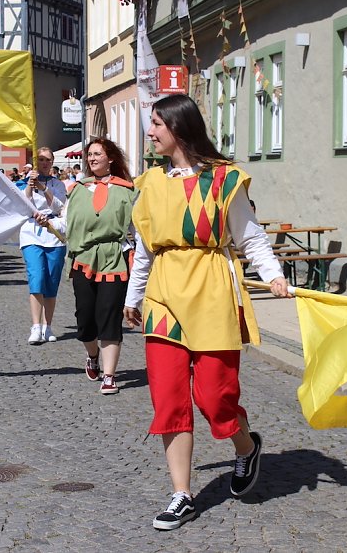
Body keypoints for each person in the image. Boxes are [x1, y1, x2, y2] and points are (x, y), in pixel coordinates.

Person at [123, 94, 291, 530]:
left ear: (179, 127)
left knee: (216, 398)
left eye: (157, 123)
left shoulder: (222, 181)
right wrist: (132, 298)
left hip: (212, 290)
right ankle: (181, 494)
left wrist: (273, 276)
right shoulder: (150, 184)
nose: (150, 131)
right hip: (163, 298)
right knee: (169, 399)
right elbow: (143, 251)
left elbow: (250, 238)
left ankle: (244, 447)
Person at [35, 138, 136, 394]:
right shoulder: (78, 189)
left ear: (110, 158)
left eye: (97, 154)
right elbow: (66, 225)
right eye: (89, 154)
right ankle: (92, 356)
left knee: (109, 316)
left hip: (114, 257)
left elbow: (137, 229)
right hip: (84, 259)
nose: (92, 159)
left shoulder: (128, 190)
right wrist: (47, 223)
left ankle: (110, 375)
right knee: (86, 319)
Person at [18, 146, 67, 344]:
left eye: (47, 159)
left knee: (51, 281)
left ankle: (47, 325)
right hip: (32, 233)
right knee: (36, 276)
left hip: (53, 233)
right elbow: (23, 204)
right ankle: (35, 326)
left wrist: (44, 188)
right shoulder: (23, 183)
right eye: (40, 160)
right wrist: (31, 184)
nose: (44, 163)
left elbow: (58, 206)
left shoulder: (58, 185)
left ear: (52, 162)